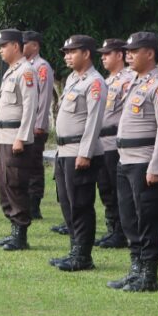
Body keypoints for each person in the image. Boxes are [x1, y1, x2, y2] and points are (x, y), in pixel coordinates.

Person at [108, 32, 158, 292]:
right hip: (126, 159)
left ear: (150, 53)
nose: (129, 55)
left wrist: (156, 167)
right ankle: (136, 267)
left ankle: (149, 273)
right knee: (129, 216)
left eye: (135, 51)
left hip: (144, 161)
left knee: (148, 218)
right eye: (128, 51)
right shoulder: (134, 83)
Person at [50, 35, 106, 272]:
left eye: (72, 52)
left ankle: (83, 255)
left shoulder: (95, 82)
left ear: (86, 53)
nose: (67, 56)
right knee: (66, 202)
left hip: (80, 152)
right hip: (64, 150)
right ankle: (75, 248)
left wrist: (85, 153)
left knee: (81, 204)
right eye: (66, 52)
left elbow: (94, 121)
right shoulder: (73, 79)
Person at [0, 29, 39, 251]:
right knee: (3, 184)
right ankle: (13, 229)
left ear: (16, 47)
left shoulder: (26, 71)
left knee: (15, 184)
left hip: (16, 138)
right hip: (4, 136)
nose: (0, 50)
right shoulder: (11, 71)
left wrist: (22, 137)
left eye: (4, 45)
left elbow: (30, 107)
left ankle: (20, 233)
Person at [96, 38, 133, 249]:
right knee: (105, 188)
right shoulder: (106, 80)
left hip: (115, 142)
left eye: (107, 53)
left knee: (116, 188)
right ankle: (112, 228)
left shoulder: (127, 80)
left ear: (119, 55)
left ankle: (121, 231)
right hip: (102, 142)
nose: (103, 57)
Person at [23, 31, 54, 220]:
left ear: (35, 46)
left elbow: (44, 98)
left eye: (25, 43)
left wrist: (39, 123)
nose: (21, 46)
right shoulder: (24, 66)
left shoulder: (41, 67)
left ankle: (34, 204)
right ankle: (25, 200)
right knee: (23, 165)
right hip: (24, 125)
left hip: (35, 125)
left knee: (34, 165)